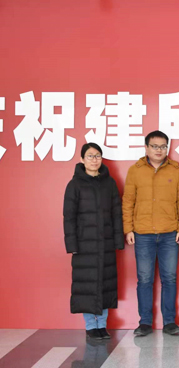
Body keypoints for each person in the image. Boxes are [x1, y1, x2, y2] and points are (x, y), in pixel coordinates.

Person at [122, 130, 179, 337]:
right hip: (143, 234)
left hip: (170, 234)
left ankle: (169, 322)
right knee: (144, 279)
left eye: (163, 146)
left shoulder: (176, 170)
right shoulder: (135, 170)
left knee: (169, 278)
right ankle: (145, 322)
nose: (159, 150)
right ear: (146, 148)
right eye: (155, 146)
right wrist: (128, 228)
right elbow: (128, 202)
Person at [63, 143, 124, 340]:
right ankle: (91, 326)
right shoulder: (74, 185)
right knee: (87, 286)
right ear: (82, 159)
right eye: (90, 156)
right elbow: (69, 217)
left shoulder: (109, 183)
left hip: (106, 243)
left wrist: (118, 240)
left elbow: (116, 213)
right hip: (84, 244)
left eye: (97, 156)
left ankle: (102, 325)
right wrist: (72, 245)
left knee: (105, 284)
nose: (94, 160)